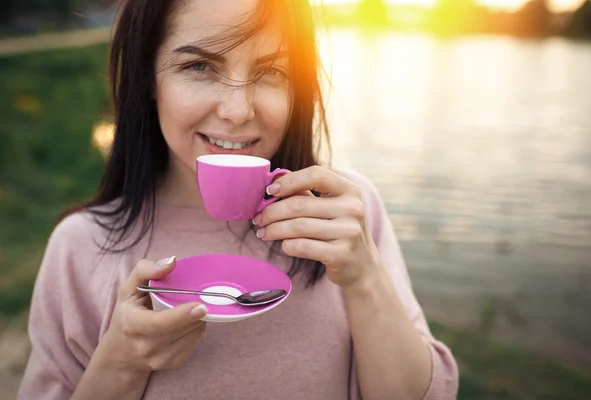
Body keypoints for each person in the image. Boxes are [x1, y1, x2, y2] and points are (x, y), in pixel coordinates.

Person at [18, 0, 459, 399]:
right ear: (148, 76)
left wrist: (365, 278)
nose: (238, 110)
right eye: (199, 67)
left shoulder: (346, 214)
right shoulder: (81, 246)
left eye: (272, 72)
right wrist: (121, 362)